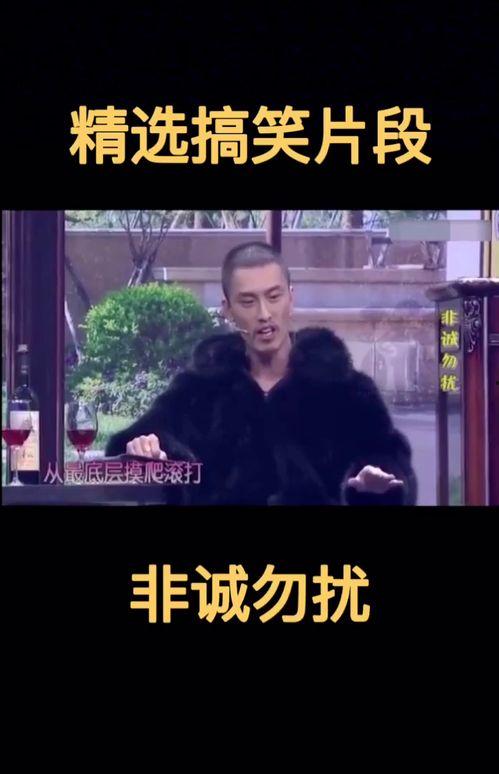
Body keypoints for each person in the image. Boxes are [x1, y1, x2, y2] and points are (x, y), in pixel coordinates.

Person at [106, 242, 417, 505]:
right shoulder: (197, 391)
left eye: (274, 296)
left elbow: (393, 466)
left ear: (291, 298)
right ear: (227, 310)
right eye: (248, 301)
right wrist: (143, 447)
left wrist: (374, 482)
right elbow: (130, 443)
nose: (264, 314)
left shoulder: (348, 391)